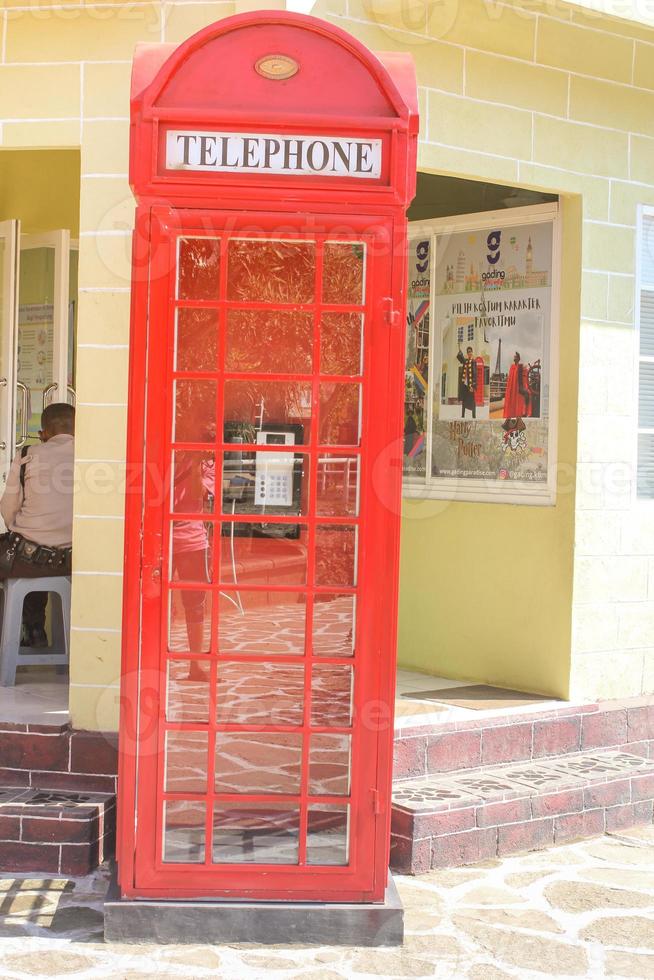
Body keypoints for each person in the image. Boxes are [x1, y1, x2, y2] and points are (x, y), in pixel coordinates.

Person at [0, 403, 74, 647]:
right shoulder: (91, 456)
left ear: (43, 434)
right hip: (73, 560)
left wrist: (20, 529)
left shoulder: (27, 454)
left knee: (21, 551)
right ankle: (34, 628)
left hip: (28, 559)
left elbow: (8, 509)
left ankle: (25, 631)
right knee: (35, 554)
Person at [504, 351, 532, 418]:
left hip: (519, 386)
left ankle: (525, 411)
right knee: (527, 393)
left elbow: (526, 372)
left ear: (518, 358)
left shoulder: (520, 366)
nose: (514, 357)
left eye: (515, 356)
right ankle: (524, 412)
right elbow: (511, 378)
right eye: (514, 356)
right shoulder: (513, 367)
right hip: (515, 388)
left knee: (528, 394)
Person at [457, 343, 477, 419]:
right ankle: (462, 415)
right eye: (468, 352)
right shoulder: (465, 361)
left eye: (470, 352)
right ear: (467, 353)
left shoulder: (474, 361)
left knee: (472, 401)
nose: (469, 353)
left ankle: (474, 416)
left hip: (470, 385)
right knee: (464, 400)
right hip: (464, 384)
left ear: (472, 352)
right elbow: (460, 357)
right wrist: (459, 350)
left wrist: (473, 385)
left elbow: (475, 374)